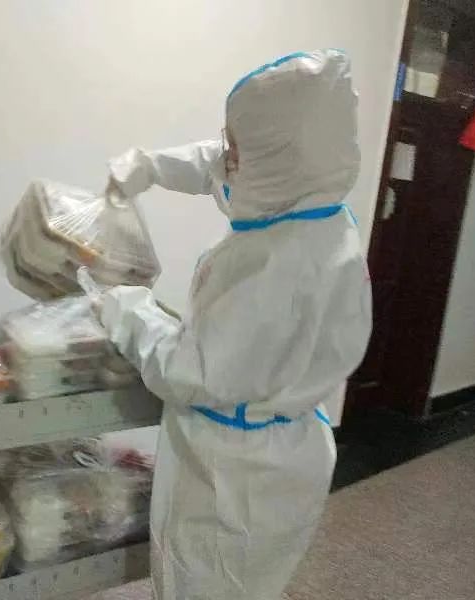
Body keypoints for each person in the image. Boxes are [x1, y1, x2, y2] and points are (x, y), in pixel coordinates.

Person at [96, 50, 372, 599]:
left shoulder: (281, 265)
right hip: (279, 444)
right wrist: (151, 164)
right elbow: (223, 168)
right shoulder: (311, 204)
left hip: (235, 475)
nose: (228, 156)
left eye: (238, 146)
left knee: (208, 582)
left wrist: (125, 308)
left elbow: (192, 372)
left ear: (277, 156)